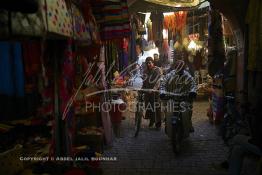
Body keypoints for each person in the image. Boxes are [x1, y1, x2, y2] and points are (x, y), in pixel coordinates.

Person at [160, 59, 197, 132]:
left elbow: (193, 84)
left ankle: (189, 123)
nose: (180, 70)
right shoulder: (170, 75)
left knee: (189, 109)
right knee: (166, 108)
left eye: (181, 68)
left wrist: (192, 92)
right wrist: (162, 92)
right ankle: (167, 122)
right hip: (171, 98)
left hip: (184, 98)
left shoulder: (187, 75)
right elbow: (163, 83)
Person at [142, 57, 162, 129]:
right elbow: (144, 82)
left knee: (157, 108)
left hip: (155, 93)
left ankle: (158, 124)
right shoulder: (145, 71)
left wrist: (154, 89)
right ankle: (152, 120)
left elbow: (159, 81)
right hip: (148, 92)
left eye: (150, 62)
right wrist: (142, 89)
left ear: (153, 62)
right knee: (149, 107)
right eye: (147, 63)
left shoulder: (157, 70)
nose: (148, 64)